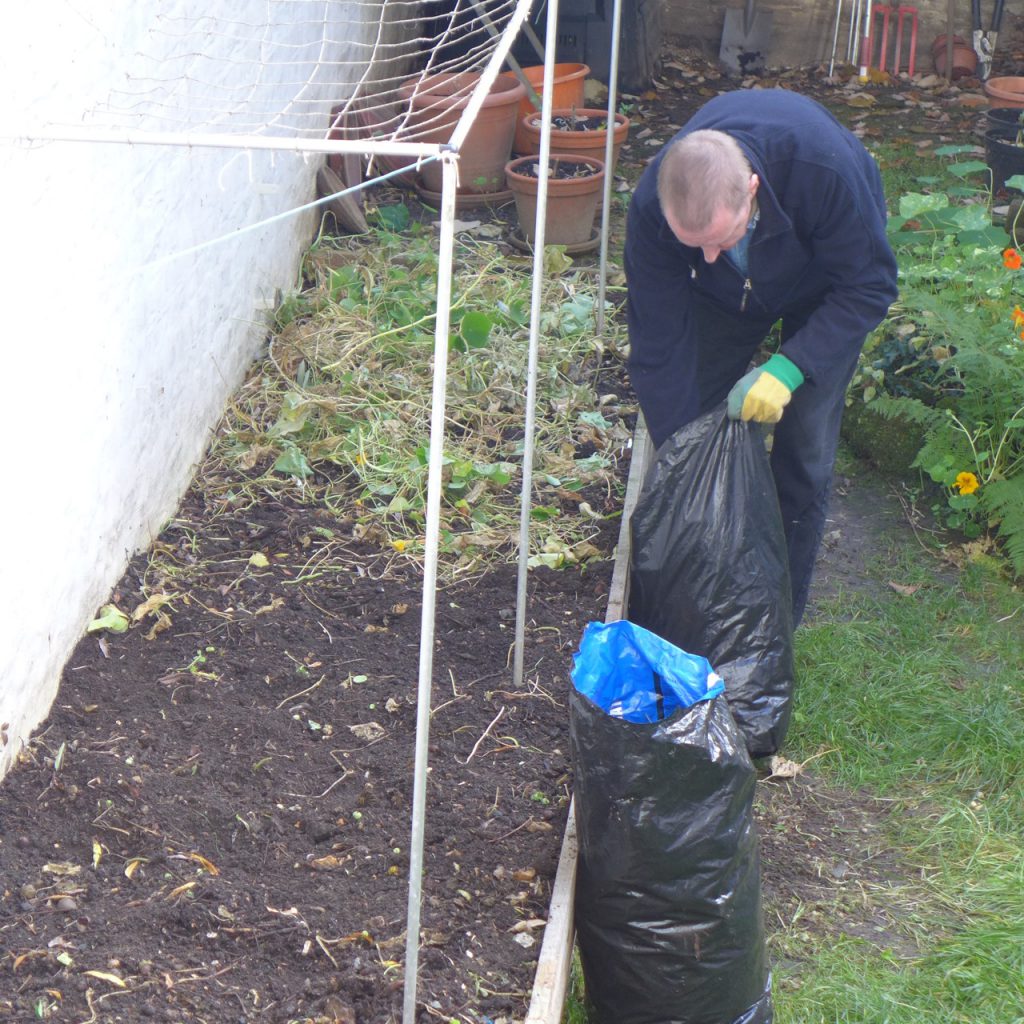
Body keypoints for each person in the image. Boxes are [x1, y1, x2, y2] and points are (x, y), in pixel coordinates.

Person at [624, 89, 899, 626]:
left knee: (805, 448)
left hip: (825, 285)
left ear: (752, 190)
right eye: (693, 244)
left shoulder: (825, 172)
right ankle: (704, 592)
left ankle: (777, 617)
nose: (706, 254)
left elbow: (868, 286)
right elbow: (658, 342)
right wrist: (685, 454)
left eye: (720, 238)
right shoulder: (652, 209)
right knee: (693, 429)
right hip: (724, 295)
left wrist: (789, 366)